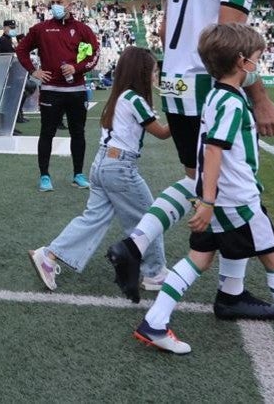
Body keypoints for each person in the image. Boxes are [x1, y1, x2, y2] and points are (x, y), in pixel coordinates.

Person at [107, 0, 274, 321]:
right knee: (234, 191)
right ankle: (229, 292)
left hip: (176, 86)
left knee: (203, 185)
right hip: (212, 88)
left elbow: (167, 30)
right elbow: (232, 39)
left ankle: (138, 243)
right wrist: (260, 97)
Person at [133, 23, 274, 356]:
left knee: (199, 259)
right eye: (257, 59)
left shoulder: (215, 95)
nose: (258, 66)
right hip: (237, 202)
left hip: (220, 198)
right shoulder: (232, 103)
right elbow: (214, 149)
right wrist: (207, 200)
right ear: (242, 61)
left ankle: (155, 322)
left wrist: (207, 198)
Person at [28, 47, 170, 292]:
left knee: (93, 218)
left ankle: (49, 256)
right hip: (120, 167)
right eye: (154, 72)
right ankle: (155, 273)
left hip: (102, 163)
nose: (156, 76)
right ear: (143, 72)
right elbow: (162, 133)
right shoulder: (134, 99)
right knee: (151, 218)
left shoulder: (119, 96)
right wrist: (189, 116)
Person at [15, 0, 100, 192]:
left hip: (77, 90)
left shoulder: (82, 30)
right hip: (51, 91)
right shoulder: (41, 29)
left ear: (70, 6)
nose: (54, 5)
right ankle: (44, 176)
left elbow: (93, 55)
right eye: (52, 2)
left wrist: (76, 68)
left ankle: (78, 175)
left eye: (59, 2)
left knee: (78, 133)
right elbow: (21, 50)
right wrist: (34, 71)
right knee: (47, 133)